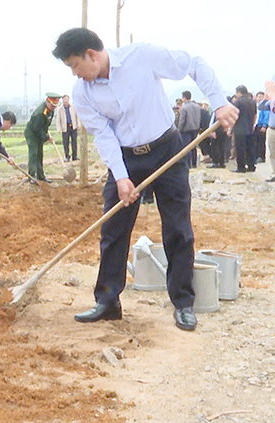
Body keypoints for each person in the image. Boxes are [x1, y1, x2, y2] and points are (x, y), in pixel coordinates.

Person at [52, 28, 238, 331]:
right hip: (125, 157)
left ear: (91, 55)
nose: (75, 74)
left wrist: (218, 101)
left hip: (167, 149)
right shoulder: (83, 93)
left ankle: (183, 303)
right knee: (113, 229)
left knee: (177, 228)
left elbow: (194, 63)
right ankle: (108, 301)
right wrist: (121, 177)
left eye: (74, 65)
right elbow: (104, 135)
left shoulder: (141, 57)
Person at [24, 93, 61, 183]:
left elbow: (45, 125)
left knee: (40, 154)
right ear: (47, 101)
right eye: (52, 105)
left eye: (55, 105)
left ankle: (41, 176)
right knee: (34, 154)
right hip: (32, 134)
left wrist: (46, 134)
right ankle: (32, 177)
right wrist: (46, 137)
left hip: (40, 133)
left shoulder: (50, 111)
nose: (54, 107)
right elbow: (37, 129)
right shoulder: (40, 113)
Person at [232, 85, 257, 173]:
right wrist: (252, 125)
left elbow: (234, 116)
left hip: (240, 128)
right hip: (249, 127)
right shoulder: (252, 102)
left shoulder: (238, 102)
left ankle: (241, 167)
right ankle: (251, 166)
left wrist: (230, 128)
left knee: (240, 149)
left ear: (239, 92)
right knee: (250, 147)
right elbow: (255, 115)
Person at [178, 91, 201, 168]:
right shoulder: (197, 106)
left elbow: (182, 121)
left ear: (184, 98)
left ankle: (188, 164)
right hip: (195, 128)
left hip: (186, 130)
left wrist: (179, 130)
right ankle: (194, 163)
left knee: (187, 147)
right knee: (193, 147)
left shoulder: (184, 108)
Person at [55, 94, 81, 161]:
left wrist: (78, 124)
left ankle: (74, 156)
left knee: (74, 142)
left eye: (66, 99)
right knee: (65, 143)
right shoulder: (60, 109)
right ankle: (67, 156)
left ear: (68, 100)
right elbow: (58, 120)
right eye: (64, 99)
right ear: (62, 100)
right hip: (65, 127)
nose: (65, 100)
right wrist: (59, 128)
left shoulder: (73, 107)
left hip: (73, 126)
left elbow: (77, 116)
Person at [254, 91, 268, 164]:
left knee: (261, 141)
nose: (260, 98)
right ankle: (256, 156)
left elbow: (266, 116)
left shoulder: (265, 105)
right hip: (256, 125)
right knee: (255, 141)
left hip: (261, 125)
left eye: (262, 97)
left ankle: (261, 156)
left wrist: (264, 125)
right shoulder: (255, 105)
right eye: (259, 97)